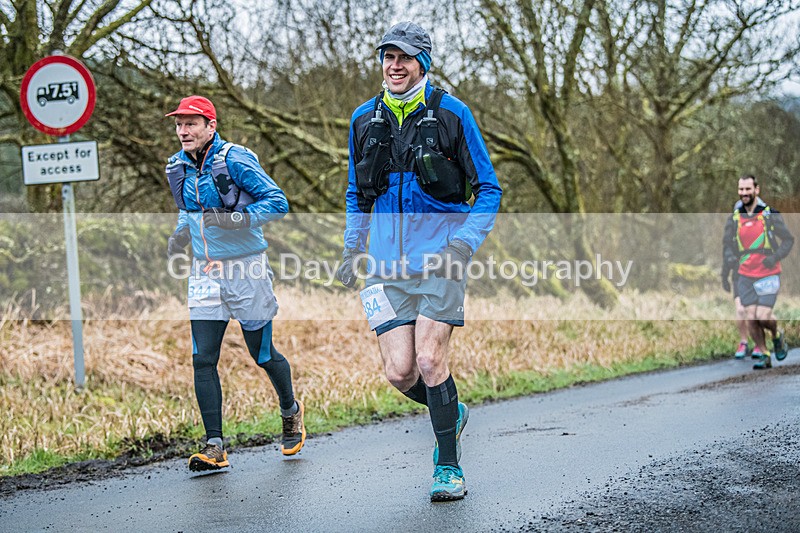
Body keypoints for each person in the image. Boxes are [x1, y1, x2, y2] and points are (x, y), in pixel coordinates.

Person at [336, 22, 502, 501]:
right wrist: (353, 247)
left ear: (423, 63)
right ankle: (451, 411)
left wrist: (465, 243)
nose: (395, 65)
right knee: (400, 372)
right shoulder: (363, 118)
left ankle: (448, 466)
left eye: (405, 57)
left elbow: (489, 189)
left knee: (430, 360)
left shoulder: (453, 114)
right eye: (388, 56)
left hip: (442, 259)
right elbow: (356, 191)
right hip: (385, 268)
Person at [164, 95, 306, 471]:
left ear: (211, 126)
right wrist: (180, 234)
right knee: (202, 358)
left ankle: (290, 410)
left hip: (247, 268)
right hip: (204, 272)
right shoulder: (177, 166)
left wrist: (236, 220)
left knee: (262, 355)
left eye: (191, 123)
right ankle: (215, 446)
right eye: (179, 124)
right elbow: (189, 210)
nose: (183, 131)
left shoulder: (235, 159)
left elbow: (278, 201)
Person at [722, 175, 794, 370]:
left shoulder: (769, 214)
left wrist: (775, 257)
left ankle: (777, 335)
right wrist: (728, 263)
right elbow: (727, 244)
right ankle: (764, 353)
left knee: (763, 316)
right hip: (745, 273)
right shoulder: (735, 217)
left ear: (756, 190)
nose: (744, 193)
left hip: (768, 272)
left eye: (747, 189)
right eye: (741, 190)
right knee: (750, 316)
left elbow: (788, 240)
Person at [721, 199, 751, 358]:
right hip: (739, 273)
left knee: (754, 311)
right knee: (740, 310)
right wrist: (724, 276)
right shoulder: (731, 229)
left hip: (756, 273)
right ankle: (744, 342)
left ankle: (761, 343)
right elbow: (726, 251)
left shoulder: (757, 227)